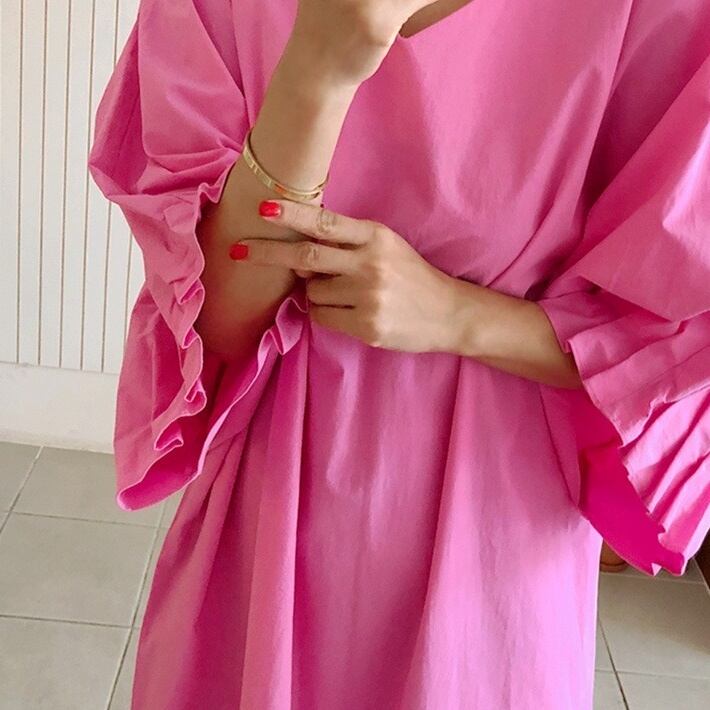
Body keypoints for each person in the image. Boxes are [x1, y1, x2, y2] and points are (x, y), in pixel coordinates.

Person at [87, 0, 710, 707]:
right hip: (268, 516)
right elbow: (217, 322)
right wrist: (318, 69)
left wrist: (456, 314)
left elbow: (673, 344)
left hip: (494, 538)